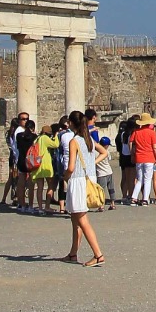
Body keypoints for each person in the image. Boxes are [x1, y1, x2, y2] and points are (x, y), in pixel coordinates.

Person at [58, 111, 105, 267]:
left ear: (71, 123)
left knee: (82, 219)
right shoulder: (88, 138)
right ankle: (73, 253)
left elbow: (71, 166)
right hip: (89, 177)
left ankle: (98, 254)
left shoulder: (75, 141)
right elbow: (104, 152)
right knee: (75, 218)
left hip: (78, 180)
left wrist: (65, 176)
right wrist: (92, 164)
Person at [129, 112, 156, 205]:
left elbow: (131, 143)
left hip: (139, 158)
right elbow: (155, 147)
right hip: (149, 158)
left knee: (140, 179)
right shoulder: (152, 133)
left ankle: (134, 197)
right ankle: (145, 199)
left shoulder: (136, 132)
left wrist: (132, 154)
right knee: (147, 179)